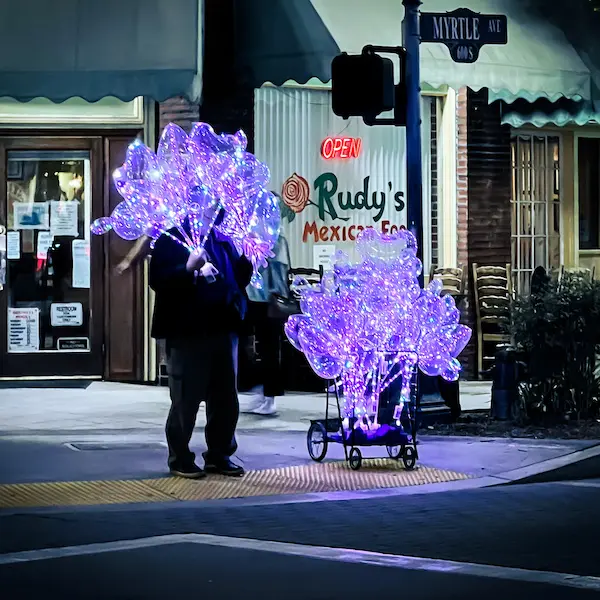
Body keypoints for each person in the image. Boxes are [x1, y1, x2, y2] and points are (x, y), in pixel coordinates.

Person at [149, 215, 252, 479]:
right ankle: (180, 457)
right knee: (186, 398)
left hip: (224, 328)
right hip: (187, 333)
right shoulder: (172, 238)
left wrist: (246, 257)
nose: (211, 211)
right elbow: (158, 280)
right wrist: (188, 268)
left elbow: (239, 279)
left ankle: (219, 454)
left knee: (226, 399)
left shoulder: (224, 241)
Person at [243, 232, 290, 416]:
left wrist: (276, 294)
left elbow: (278, 272)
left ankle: (269, 396)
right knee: (262, 348)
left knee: (269, 348)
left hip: (267, 300)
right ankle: (264, 392)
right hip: (256, 298)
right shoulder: (260, 238)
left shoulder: (275, 240)